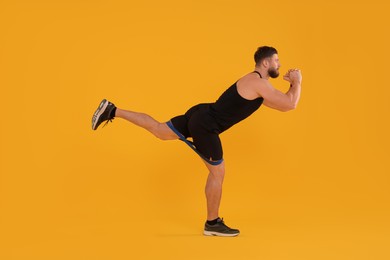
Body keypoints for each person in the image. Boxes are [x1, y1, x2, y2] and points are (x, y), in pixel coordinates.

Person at [91, 46, 302, 237]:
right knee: (218, 173)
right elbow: (291, 104)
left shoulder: (255, 85)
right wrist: (297, 81)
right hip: (206, 125)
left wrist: (293, 86)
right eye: (276, 60)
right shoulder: (259, 84)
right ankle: (212, 223)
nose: (279, 64)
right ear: (265, 63)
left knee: (159, 130)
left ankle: (113, 110)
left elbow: (284, 105)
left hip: (201, 113)